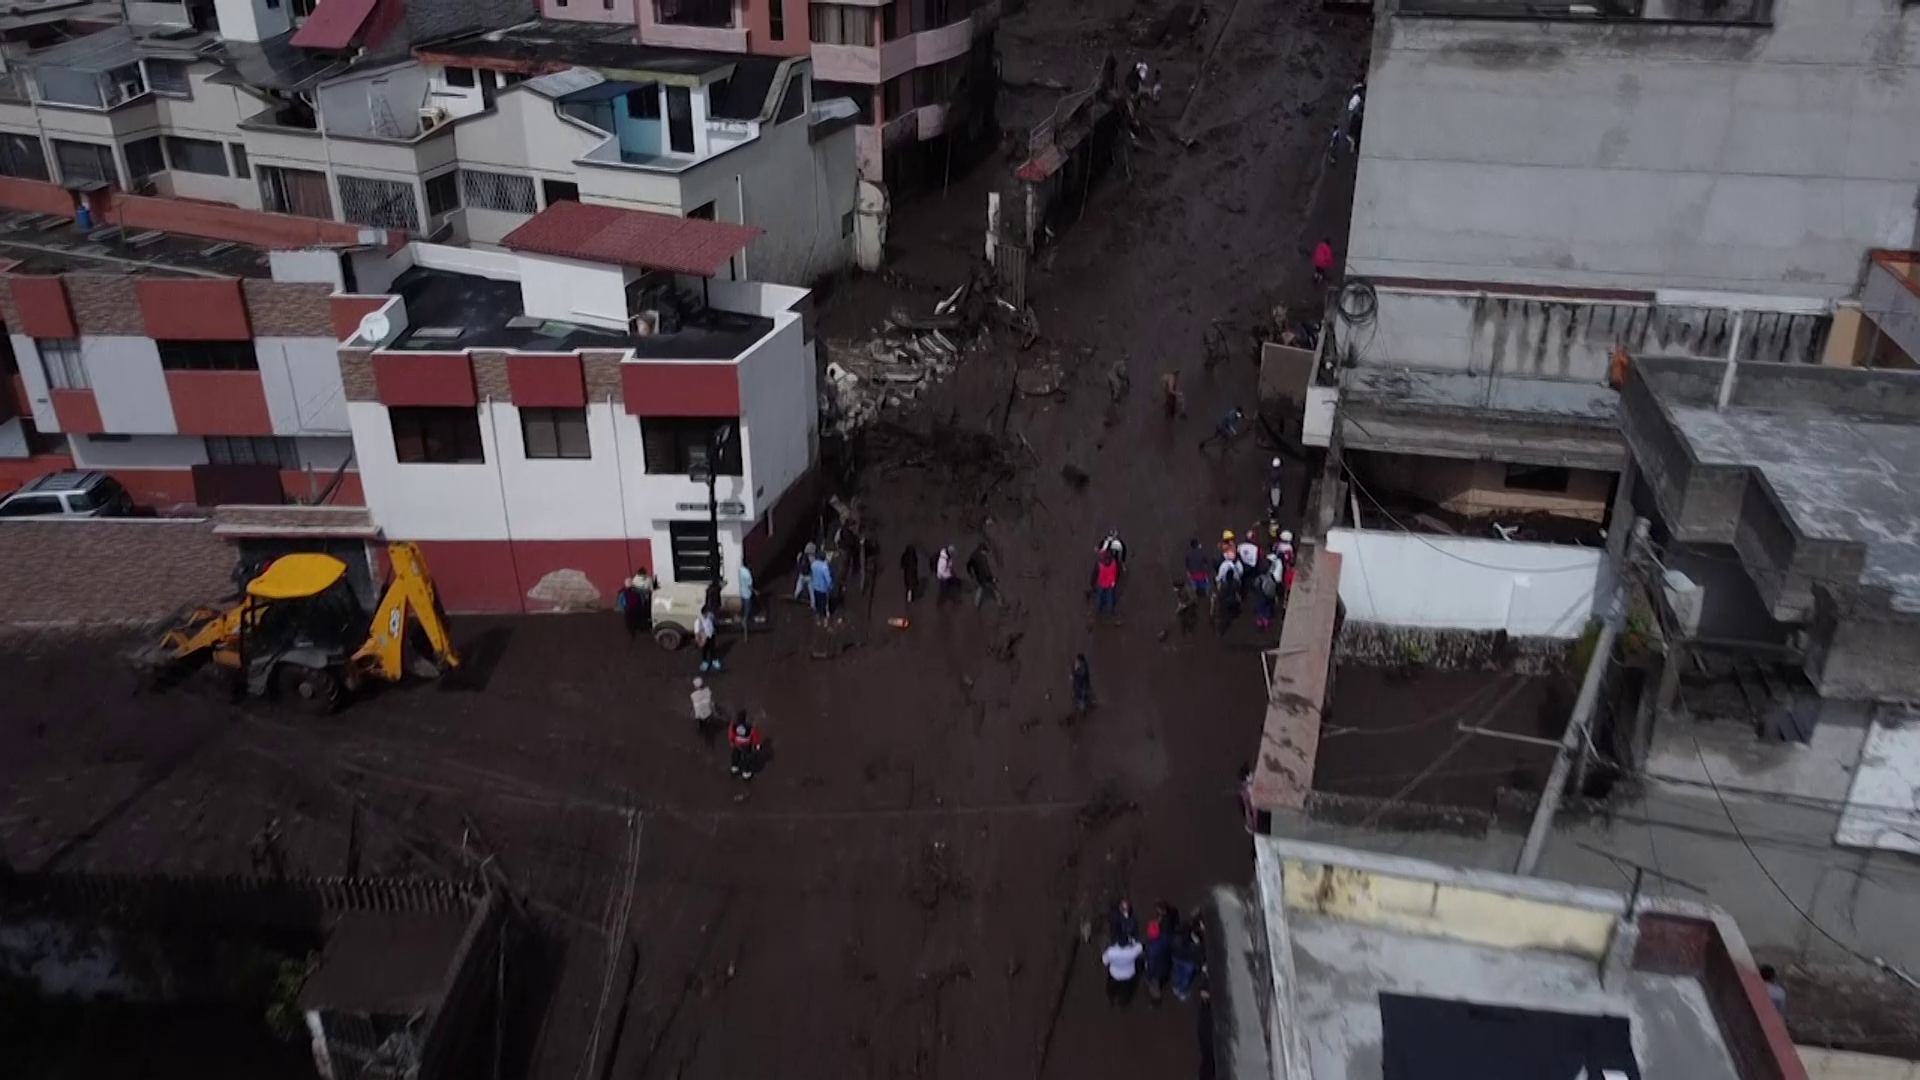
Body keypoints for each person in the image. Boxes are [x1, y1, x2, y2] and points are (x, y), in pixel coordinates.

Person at [1143, 904, 1176, 1005]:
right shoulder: (1165, 940)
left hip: (1156, 971)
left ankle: (1156, 1000)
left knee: (1154, 985)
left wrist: (1148, 975)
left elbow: (1151, 964)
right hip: (1164, 966)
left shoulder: (1151, 948)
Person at [1102, 932, 1144, 1009]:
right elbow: (1140, 947)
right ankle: (1123, 1004)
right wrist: (1133, 941)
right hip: (1128, 975)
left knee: (1111, 989)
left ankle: (1110, 1000)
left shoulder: (1111, 952)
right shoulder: (1133, 952)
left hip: (1114, 974)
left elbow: (1105, 961)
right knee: (1126, 992)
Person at [1171, 920, 1206, 1002]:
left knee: (1178, 974)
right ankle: (1182, 992)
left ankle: (1176, 987)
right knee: (1185, 978)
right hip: (1187, 961)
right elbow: (1197, 952)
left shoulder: (1176, 939)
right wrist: (1197, 943)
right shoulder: (1191, 946)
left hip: (1176, 958)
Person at [728, 711, 763, 781]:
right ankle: (746, 774)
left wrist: (731, 742)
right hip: (746, 746)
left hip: (736, 745)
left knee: (735, 756)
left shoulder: (734, 726)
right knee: (746, 759)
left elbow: (731, 734)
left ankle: (734, 769)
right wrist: (757, 745)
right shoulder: (749, 728)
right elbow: (755, 737)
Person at [966, 544, 1000, 608]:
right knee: (995, 589)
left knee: (980, 588)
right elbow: (986, 569)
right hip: (985, 578)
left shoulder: (973, 555)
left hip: (978, 577)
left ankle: (976, 605)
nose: (985, 554)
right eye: (985, 552)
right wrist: (992, 578)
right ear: (983, 550)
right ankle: (1001, 605)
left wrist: (970, 573)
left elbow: (968, 564)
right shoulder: (982, 558)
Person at [809, 550, 835, 624]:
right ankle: (826, 616)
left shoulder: (813, 564)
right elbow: (828, 579)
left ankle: (818, 614)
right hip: (823, 589)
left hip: (815, 587)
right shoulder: (824, 567)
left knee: (818, 602)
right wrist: (831, 586)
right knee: (825, 603)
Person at [1093, 552, 1121, 620]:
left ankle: (1098, 609)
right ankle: (1110, 611)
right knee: (1110, 598)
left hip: (1101, 584)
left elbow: (1094, 574)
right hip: (1110, 585)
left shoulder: (1099, 565)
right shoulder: (1114, 563)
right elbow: (1117, 573)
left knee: (1099, 597)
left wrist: (1092, 584)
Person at [694, 606, 720, 672]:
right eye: (708, 612)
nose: (710, 614)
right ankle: (705, 662)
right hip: (703, 637)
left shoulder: (710, 617)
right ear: (704, 613)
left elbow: (711, 628)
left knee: (712, 649)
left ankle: (714, 660)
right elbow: (697, 631)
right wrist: (700, 641)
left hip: (710, 636)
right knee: (704, 650)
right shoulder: (699, 620)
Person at [737, 561, 755, 635]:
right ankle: (745, 621)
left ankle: (743, 617)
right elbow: (749, 586)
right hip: (747, 594)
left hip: (742, 592)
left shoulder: (741, 570)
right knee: (748, 610)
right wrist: (755, 591)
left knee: (744, 607)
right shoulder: (748, 574)